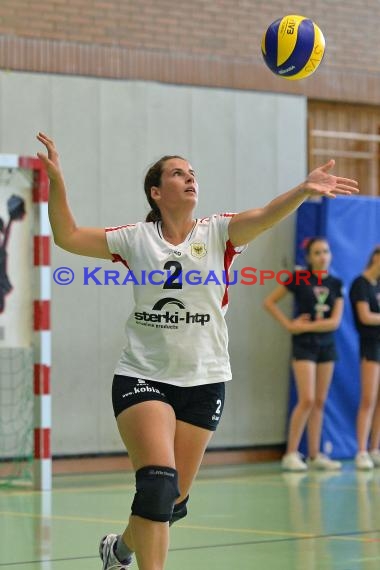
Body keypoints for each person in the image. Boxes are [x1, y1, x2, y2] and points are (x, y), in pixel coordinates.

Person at [36, 131, 358, 570]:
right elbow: (68, 236)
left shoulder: (220, 232)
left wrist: (303, 190)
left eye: (193, 173)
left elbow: (264, 215)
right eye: (177, 173)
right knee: (156, 485)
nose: (190, 179)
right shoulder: (135, 239)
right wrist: (57, 180)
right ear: (156, 191)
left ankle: (118, 551)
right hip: (143, 375)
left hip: (205, 379)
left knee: (170, 500)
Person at [263, 237, 344, 472]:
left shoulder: (336, 283)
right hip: (304, 346)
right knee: (307, 399)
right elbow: (269, 302)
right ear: (309, 257)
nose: (323, 256)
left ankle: (315, 454)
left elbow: (334, 322)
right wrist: (289, 325)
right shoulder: (299, 278)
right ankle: (291, 453)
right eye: (317, 252)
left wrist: (304, 326)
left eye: (326, 251)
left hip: (326, 346)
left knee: (319, 401)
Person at [349, 246, 380, 470]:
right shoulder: (360, 284)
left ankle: (374, 448)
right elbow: (365, 316)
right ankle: (361, 450)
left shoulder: (378, 285)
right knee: (368, 399)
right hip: (370, 346)